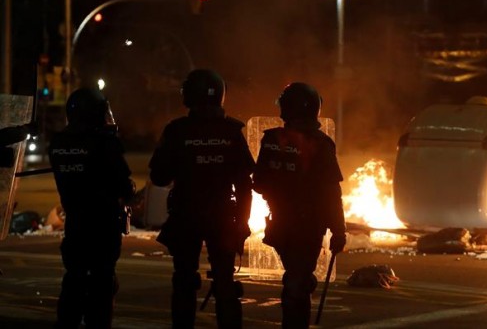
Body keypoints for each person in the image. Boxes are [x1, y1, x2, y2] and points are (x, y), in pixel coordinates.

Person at [150, 69, 254, 328]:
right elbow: (244, 186)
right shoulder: (232, 131)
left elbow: (159, 177)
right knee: (225, 283)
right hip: (222, 217)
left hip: (186, 215)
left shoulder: (177, 131)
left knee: (184, 280)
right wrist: (242, 222)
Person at [252, 82, 347, 328]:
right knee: (297, 281)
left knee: (294, 277)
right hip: (308, 225)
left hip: (280, 222)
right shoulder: (321, 144)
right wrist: (339, 230)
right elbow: (331, 191)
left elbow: (259, 183)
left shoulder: (271, 139)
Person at [49, 87, 136, 328]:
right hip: (103, 225)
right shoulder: (105, 143)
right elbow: (123, 185)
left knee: (74, 280)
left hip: (75, 224)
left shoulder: (58, 143)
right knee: (102, 283)